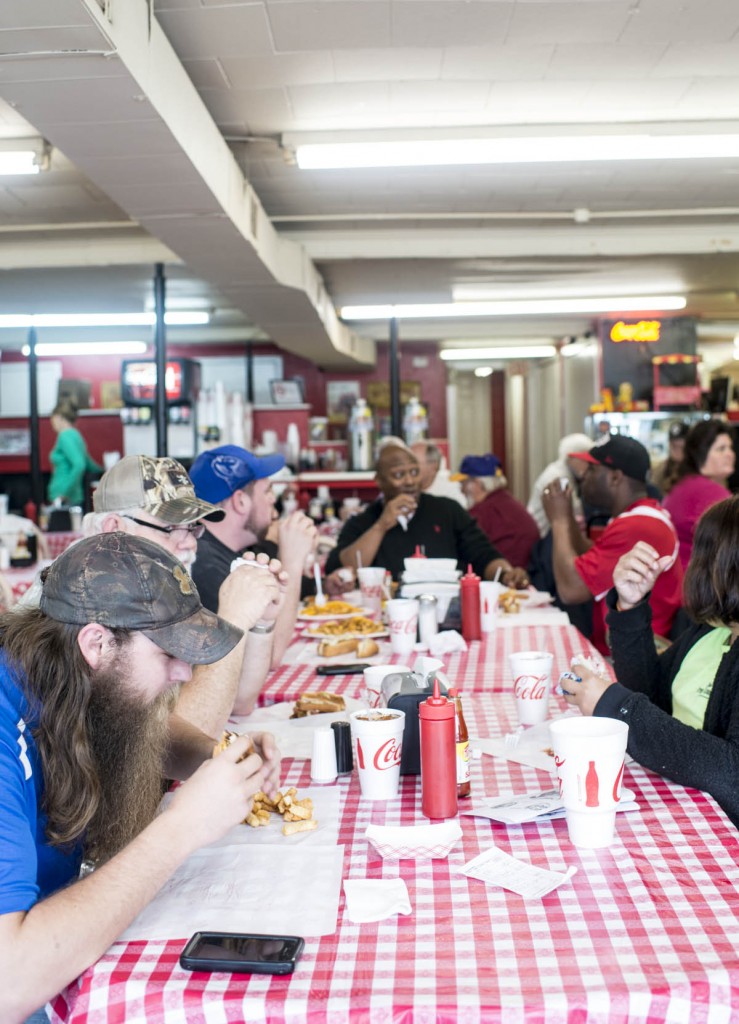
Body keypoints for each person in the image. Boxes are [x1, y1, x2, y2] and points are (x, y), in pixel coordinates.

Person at [0, 532, 281, 1022]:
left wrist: (214, 757)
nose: (184, 674)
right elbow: (10, 983)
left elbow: (124, 724)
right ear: (98, 642)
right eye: (166, 654)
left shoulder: (59, 664)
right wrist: (182, 828)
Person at [561, 496, 739, 828]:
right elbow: (649, 695)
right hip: (680, 809)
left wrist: (615, 705)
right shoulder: (711, 633)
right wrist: (630, 605)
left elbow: (730, 771)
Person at [81, 454, 285, 728]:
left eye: (190, 527)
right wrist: (233, 619)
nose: (189, 543)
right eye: (170, 528)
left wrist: (261, 620)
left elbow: (238, 701)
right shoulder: (92, 601)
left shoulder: (159, 591)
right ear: (113, 530)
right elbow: (181, 740)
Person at [189, 445, 351, 666]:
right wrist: (292, 561)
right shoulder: (204, 565)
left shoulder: (224, 551)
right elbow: (268, 658)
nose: (273, 500)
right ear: (240, 501)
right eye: (267, 492)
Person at [541, 435, 683, 655]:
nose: (583, 477)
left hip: (633, 655)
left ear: (615, 478)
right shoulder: (641, 515)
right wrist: (567, 515)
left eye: (592, 470)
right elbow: (591, 556)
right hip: (627, 645)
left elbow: (571, 590)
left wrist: (559, 522)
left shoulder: (637, 526)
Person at [324, 441, 530, 587]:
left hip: (448, 612)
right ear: (379, 481)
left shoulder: (447, 510)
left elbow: (484, 555)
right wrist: (381, 526)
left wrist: (506, 574)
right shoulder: (363, 522)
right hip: (388, 617)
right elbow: (340, 568)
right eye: (398, 475)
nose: (409, 481)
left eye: (414, 472)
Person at [662, 419, 734, 571]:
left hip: (680, 577)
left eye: (730, 447)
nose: (730, 454)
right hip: (697, 584)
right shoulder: (711, 493)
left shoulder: (684, 483)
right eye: (721, 449)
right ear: (701, 453)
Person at [450, 453, 540, 568]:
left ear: (478, 484)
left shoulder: (483, 512)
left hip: (505, 578)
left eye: (463, 483)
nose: (462, 490)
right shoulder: (506, 501)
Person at [527, 432, 593, 538]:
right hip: (543, 536)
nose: (588, 465)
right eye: (585, 460)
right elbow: (574, 512)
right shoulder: (559, 478)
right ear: (571, 458)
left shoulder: (564, 473)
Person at [47, 400, 102, 507]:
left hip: (64, 498)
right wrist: (105, 471)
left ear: (59, 417)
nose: (51, 422)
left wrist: (64, 493)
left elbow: (80, 464)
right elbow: (89, 463)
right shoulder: (76, 435)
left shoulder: (64, 436)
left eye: (52, 418)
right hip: (74, 497)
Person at [410, 441, 466, 506]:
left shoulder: (453, 492)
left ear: (433, 466)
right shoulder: (403, 489)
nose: (408, 469)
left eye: (414, 463)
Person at [651, 421, 689, 496]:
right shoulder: (661, 470)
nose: (677, 451)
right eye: (674, 446)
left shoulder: (696, 469)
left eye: (681, 446)